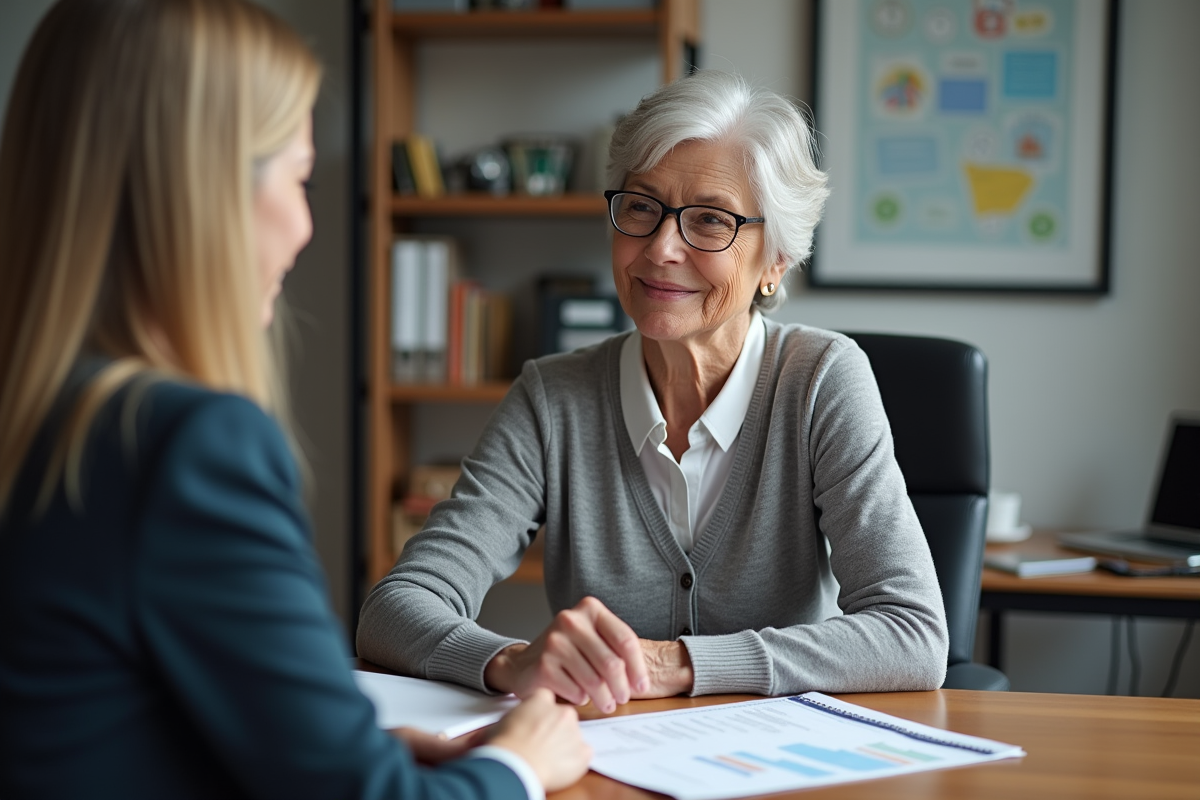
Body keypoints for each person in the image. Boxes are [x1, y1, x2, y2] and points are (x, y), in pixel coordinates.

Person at [0, 1, 589, 798]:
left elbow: (105, 714)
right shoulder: (186, 444)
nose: (307, 227)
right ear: (203, 192)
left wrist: (364, 749)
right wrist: (517, 765)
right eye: (300, 178)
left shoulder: (42, 412)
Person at [356, 70, 950, 712]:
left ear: (774, 259)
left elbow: (912, 634)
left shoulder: (821, 380)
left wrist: (676, 663)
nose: (661, 248)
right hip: (608, 762)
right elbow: (393, 609)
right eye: (641, 207)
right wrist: (509, 662)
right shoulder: (552, 400)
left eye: (710, 220)